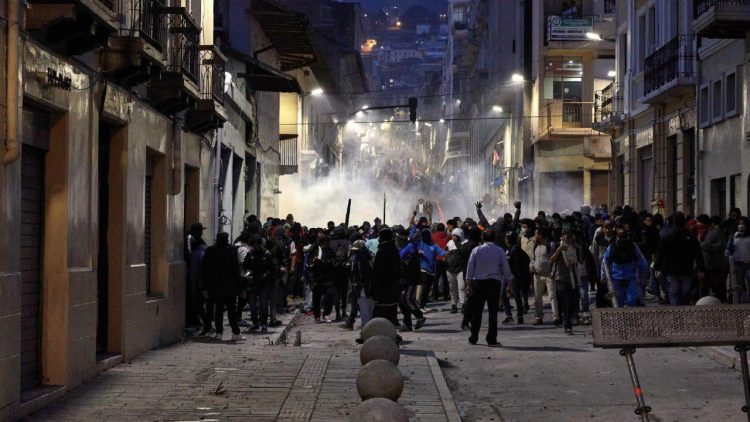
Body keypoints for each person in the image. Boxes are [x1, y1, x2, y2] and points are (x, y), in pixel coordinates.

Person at [465, 231, 513, 347]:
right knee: (493, 312)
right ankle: (491, 339)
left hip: (479, 283)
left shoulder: (476, 250)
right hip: (494, 283)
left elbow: (470, 268)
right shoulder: (499, 250)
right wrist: (509, 285)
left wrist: (469, 284)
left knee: (477, 312)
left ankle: (474, 337)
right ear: (494, 238)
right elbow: (506, 269)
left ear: (482, 237)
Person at [654, 212, 706, 306]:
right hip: (686, 268)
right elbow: (698, 254)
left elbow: (660, 253)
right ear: (684, 222)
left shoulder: (668, 236)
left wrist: (657, 268)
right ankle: (683, 309)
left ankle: (676, 312)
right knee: (685, 293)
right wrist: (701, 269)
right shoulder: (690, 237)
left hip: (671, 269)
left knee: (674, 292)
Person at [201, 232, 245, 341]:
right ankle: (235, 333)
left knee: (219, 311)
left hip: (215, 286)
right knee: (231, 311)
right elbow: (236, 271)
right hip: (230, 287)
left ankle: (219, 333)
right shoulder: (231, 250)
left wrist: (205, 287)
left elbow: (205, 270)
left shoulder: (210, 250)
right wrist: (241, 288)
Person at [603, 228, 650, 307]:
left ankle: (631, 317)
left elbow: (640, 259)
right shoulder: (612, 247)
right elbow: (605, 261)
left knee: (632, 300)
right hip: (616, 278)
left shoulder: (633, 246)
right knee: (618, 302)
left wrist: (645, 271)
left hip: (631, 278)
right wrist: (603, 275)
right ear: (617, 237)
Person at [549, 230, 581, 334]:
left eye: (569, 236)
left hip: (574, 278)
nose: (567, 238)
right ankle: (568, 326)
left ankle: (567, 319)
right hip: (561, 278)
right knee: (566, 302)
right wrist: (559, 249)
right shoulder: (558, 245)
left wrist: (579, 248)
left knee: (573, 302)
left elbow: (580, 260)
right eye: (565, 236)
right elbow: (551, 259)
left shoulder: (575, 247)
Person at [245, 236, 277, 332]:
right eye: (253, 244)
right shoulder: (250, 254)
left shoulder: (267, 254)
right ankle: (255, 323)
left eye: (256, 244)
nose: (254, 246)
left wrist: (265, 275)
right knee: (252, 305)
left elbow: (272, 270)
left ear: (260, 244)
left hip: (264, 284)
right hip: (253, 283)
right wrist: (248, 275)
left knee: (263, 305)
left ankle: (264, 324)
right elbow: (245, 268)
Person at [371, 228, 402, 326]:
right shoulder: (394, 250)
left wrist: (373, 287)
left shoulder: (382, 251)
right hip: (392, 285)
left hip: (382, 286)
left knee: (379, 312)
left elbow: (376, 271)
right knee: (391, 308)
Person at [342, 240, 374, 330]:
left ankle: (366, 327)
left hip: (363, 287)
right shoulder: (368, 257)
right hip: (364, 286)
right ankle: (351, 322)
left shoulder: (361, 260)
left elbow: (362, 275)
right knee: (357, 304)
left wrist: (357, 284)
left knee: (364, 307)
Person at [530, 227, 557, 325]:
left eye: (536, 234)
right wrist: (532, 266)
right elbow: (532, 258)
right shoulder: (535, 245)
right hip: (537, 275)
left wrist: (553, 271)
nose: (534, 236)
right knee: (537, 297)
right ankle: (538, 317)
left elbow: (554, 259)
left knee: (552, 296)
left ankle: (556, 317)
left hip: (548, 274)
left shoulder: (550, 245)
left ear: (541, 235)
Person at [308, 233, 337, 322]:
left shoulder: (330, 250)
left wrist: (328, 262)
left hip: (328, 277)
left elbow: (333, 262)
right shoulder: (314, 249)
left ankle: (326, 314)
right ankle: (317, 315)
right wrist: (315, 261)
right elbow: (309, 263)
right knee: (317, 297)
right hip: (317, 277)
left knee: (330, 294)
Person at [701, 216, 728, 302]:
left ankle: (721, 301)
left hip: (716, 265)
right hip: (709, 264)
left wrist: (706, 246)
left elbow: (720, 246)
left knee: (718, 286)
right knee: (712, 285)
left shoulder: (717, 232)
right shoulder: (709, 231)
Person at [505, 231, 530, 324]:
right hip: (521, 275)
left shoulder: (514, 249)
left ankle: (520, 316)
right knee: (519, 295)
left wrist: (512, 275)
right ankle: (521, 313)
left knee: (517, 296)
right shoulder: (514, 248)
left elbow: (516, 264)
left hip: (517, 276)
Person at [726, 217, 750, 303]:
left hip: (748, 262)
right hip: (738, 263)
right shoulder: (734, 236)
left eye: (743, 224)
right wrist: (735, 239)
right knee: (740, 284)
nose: (741, 226)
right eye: (740, 224)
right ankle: (740, 301)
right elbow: (728, 250)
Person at [445, 227, 466, 313]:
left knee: (461, 287)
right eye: (453, 235)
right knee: (452, 287)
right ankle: (454, 304)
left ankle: (463, 304)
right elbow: (445, 252)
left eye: (455, 236)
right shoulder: (449, 243)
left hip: (460, 268)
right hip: (450, 268)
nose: (453, 237)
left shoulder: (464, 243)